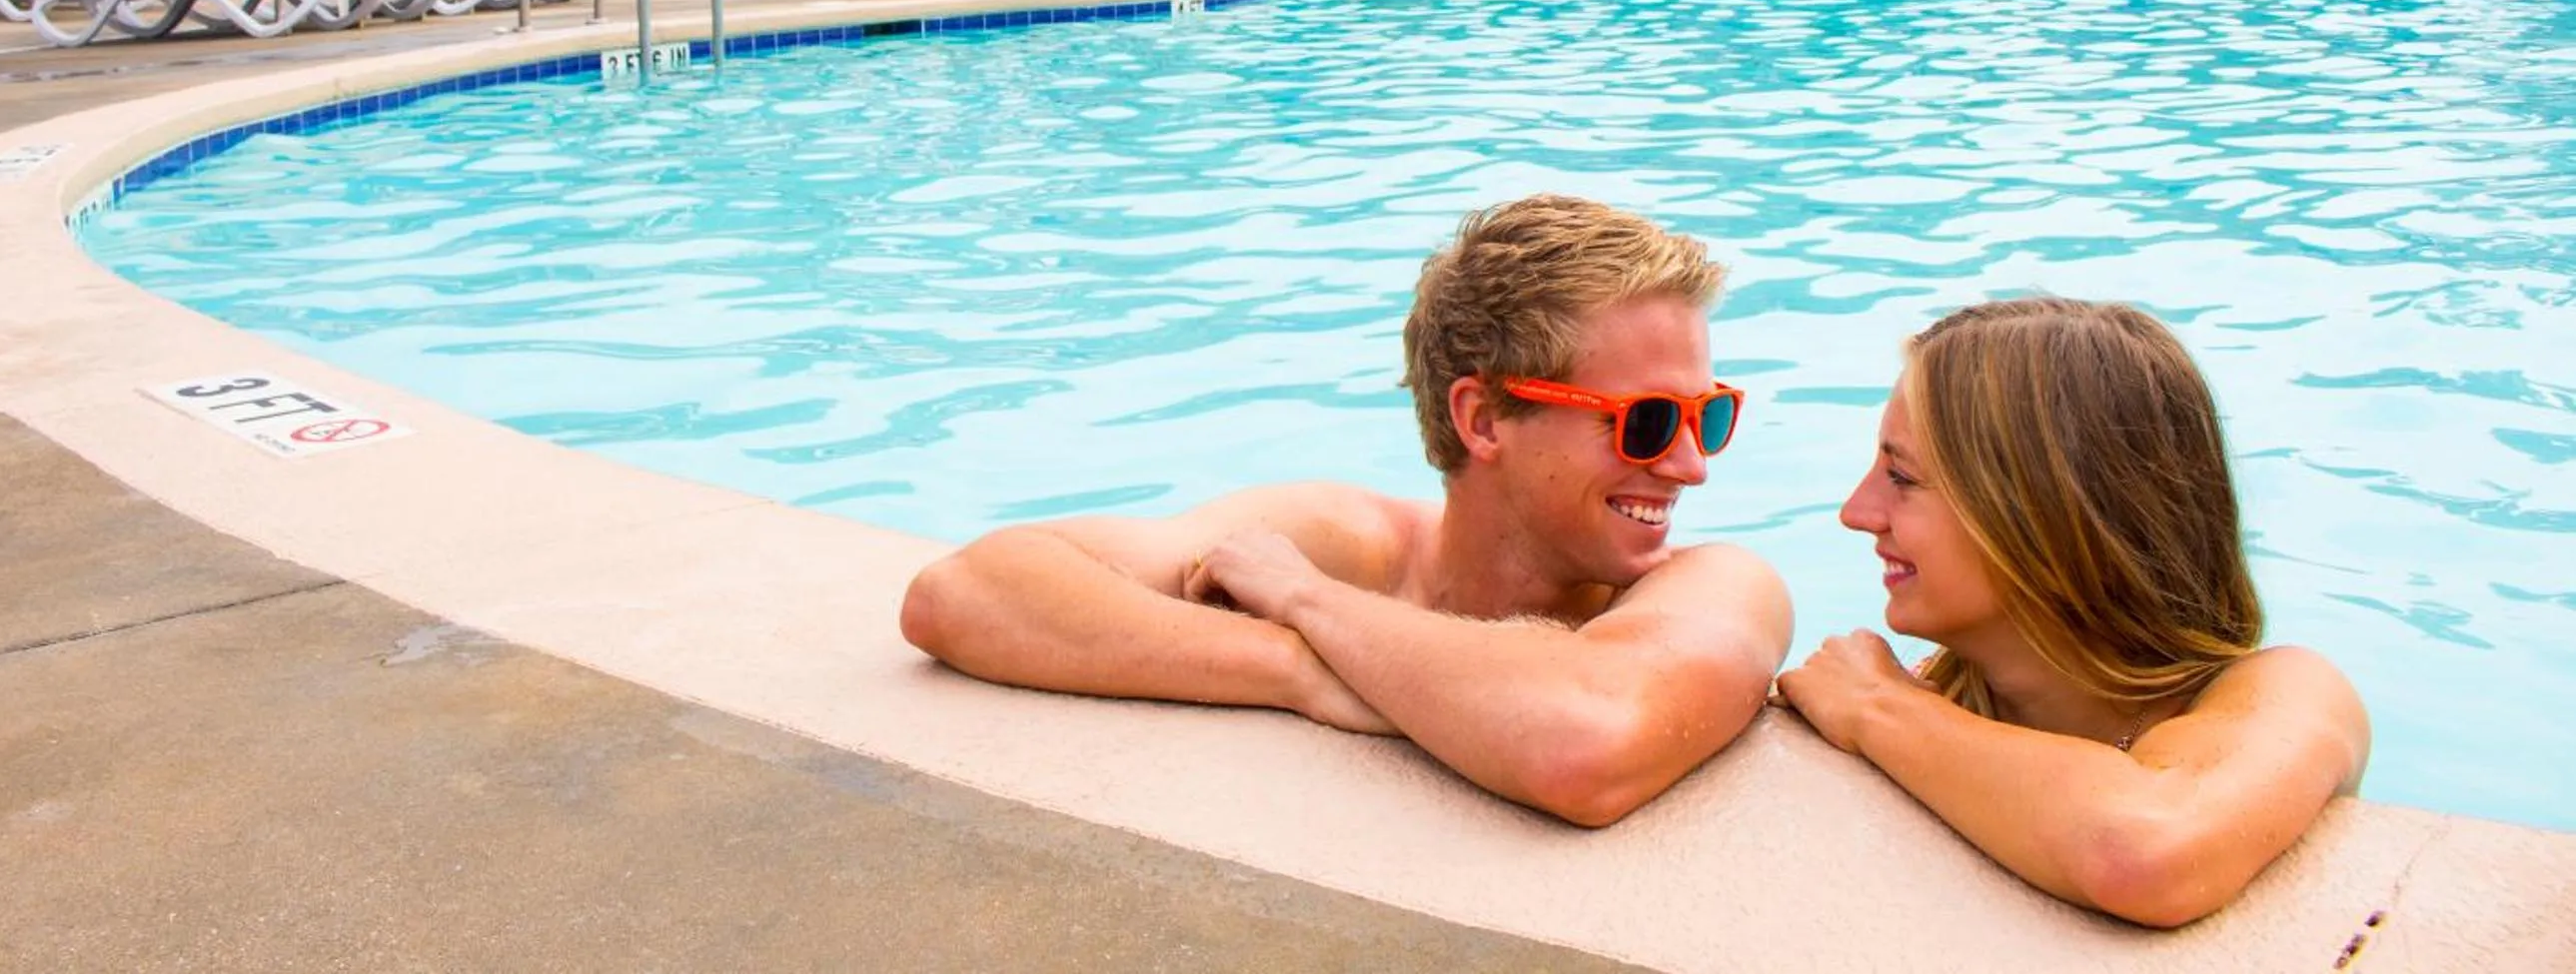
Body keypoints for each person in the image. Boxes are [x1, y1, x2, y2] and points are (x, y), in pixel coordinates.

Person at [900, 195, 1792, 826]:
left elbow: (1582, 744)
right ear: (1483, 419)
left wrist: (1310, 606)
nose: (1690, 465)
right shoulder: (1350, 539)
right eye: (1645, 422)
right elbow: (965, 591)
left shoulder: (1718, 587)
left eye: (1706, 413)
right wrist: (1294, 668)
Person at [1777, 299, 2368, 927]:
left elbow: (2146, 853)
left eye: (1902, 476)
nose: (1856, 511)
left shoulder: (2290, 693)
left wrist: (1877, 704)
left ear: (2046, 511)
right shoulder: (1942, 697)